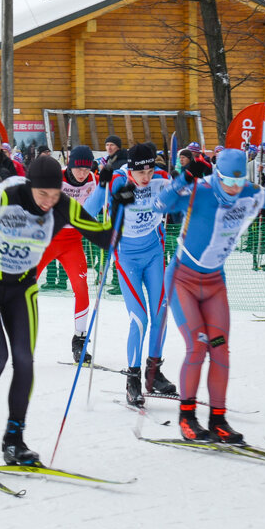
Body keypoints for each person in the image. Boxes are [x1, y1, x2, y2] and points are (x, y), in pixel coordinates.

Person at [0, 155, 126, 470]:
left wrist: (122, 206)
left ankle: (14, 440)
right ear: (31, 187)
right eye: (43, 195)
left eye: (54, 195)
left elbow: (106, 238)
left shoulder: (62, 206)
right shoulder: (8, 195)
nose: (48, 202)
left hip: (21, 287)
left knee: (24, 362)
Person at [153, 148, 265, 444]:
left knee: (220, 349)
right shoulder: (200, 190)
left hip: (214, 283)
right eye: (226, 181)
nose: (233, 188)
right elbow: (160, 204)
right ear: (216, 175)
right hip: (182, 279)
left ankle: (218, 420)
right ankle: (187, 417)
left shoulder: (250, 192)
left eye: (238, 181)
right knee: (198, 346)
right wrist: (183, 177)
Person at [85, 143, 177, 405]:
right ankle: (133, 380)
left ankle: (153, 373)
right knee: (139, 319)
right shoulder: (116, 180)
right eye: (140, 172)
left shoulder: (161, 179)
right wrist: (104, 190)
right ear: (131, 171)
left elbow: (181, 201)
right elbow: (86, 213)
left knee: (160, 313)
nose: (145, 177)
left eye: (150, 169)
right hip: (127, 258)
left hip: (154, 254)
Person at [37, 145, 100, 364]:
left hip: (73, 243)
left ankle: (79, 340)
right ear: (70, 165)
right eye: (77, 169)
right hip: (47, 240)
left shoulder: (94, 180)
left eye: (86, 169)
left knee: (82, 290)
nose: (82, 174)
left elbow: (105, 201)